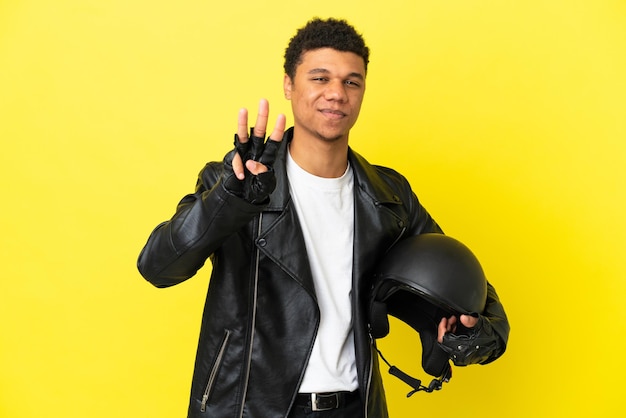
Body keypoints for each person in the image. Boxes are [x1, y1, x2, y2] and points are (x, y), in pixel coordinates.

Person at [137, 17, 509, 418]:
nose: (336, 94)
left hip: (355, 406)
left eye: (352, 81)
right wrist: (228, 201)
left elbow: (470, 292)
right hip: (248, 407)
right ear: (288, 85)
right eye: (320, 78)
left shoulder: (387, 195)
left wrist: (473, 336)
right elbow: (157, 267)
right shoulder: (234, 181)